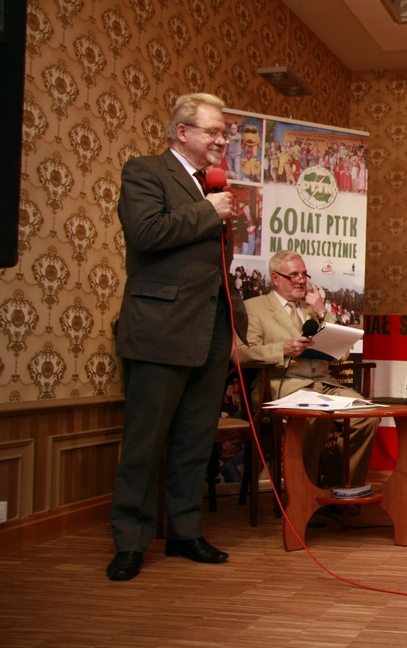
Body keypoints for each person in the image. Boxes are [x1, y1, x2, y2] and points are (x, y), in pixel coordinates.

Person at [109, 92, 247, 582]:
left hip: (210, 332)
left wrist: (235, 325)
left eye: (224, 133)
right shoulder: (145, 172)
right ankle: (130, 542)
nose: (221, 140)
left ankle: (185, 534)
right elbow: (145, 233)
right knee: (144, 443)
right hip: (160, 330)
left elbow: (217, 266)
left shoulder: (211, 186)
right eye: (213, 131)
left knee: (193, 441)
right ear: (182, 132)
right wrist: (209, 211)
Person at [237, 251, 379, 501]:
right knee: (314, 415)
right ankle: (305, 497)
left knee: (368, 415)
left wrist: (322, 311)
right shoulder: (255, 308)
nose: (301, 280)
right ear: (275, 278)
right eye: (293, 275)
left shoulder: (312, 308)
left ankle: (337, 490)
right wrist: (282, 349)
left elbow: (344, 352)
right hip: (283, 384)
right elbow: (240, 353)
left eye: (304, 274)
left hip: (323, 383)